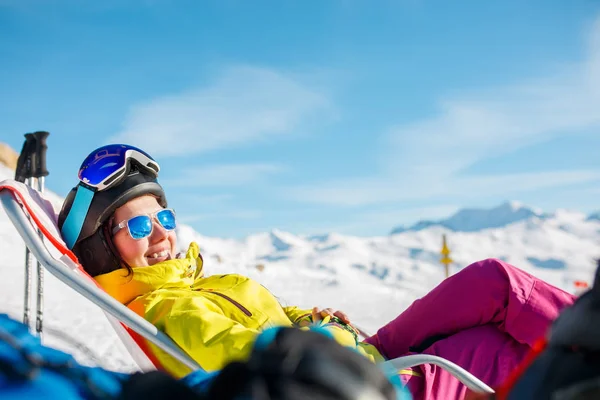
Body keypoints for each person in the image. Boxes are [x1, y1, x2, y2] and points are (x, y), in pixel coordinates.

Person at [57, 144, 576, 399]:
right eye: (139, 225)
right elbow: (264, 363)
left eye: (164, 216)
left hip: (363, 351)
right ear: (105, 249)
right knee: (509, 351)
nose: (161, 233)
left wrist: (313, 317)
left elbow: (277, 327)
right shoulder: (173, 310)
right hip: (373, 383)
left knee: (493, 281)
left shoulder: (197, 285)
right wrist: (316, 333)